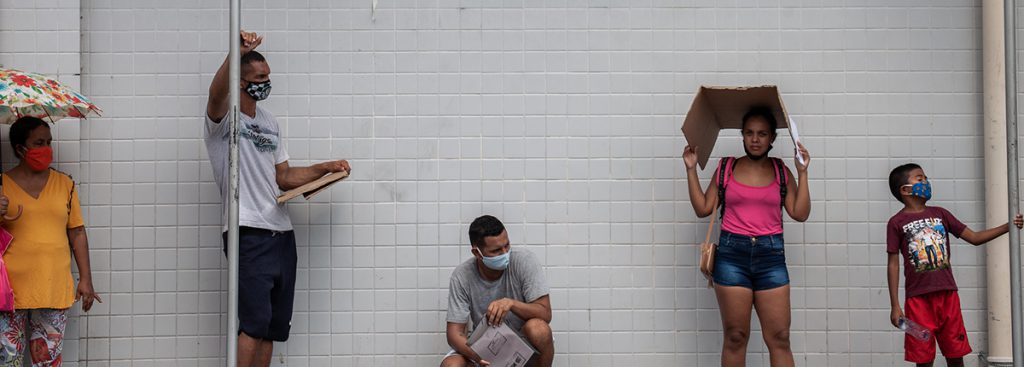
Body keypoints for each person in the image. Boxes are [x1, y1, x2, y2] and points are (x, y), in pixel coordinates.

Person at [204, 31, 351, 367]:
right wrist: (235, 51)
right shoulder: (224, 120)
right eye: (259, 78)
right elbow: (215, 94)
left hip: (281, 234)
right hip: (248, 231)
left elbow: (283, 177)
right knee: (253, 326)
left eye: (268, 76)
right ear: (240, 82)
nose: (266, 83)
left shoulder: (271, 123)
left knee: (271, 328)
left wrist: (325, 169)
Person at [682, 106, 811, 367]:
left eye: (762, 133)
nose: (755, 139)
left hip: (771, 258)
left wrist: (803, 171)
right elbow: (703, 209)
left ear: (772, 138)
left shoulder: (780, 171)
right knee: (735, 337)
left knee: (780, 337)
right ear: (742, 135)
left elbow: (800, 213)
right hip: (731, 258)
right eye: (749, 133)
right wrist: (691, 169)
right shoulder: (726, 167)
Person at [886, 163, 1023, 367]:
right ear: (905, 190)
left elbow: (974, 238)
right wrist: (895, 305)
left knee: (955, 355)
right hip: (917, 302)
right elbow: (893, 263)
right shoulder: (896, 222)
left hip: (948, 297)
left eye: (925, 178)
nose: (926, 182)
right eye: (920, 178)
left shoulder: (941, 214)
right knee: (923, 359)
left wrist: (1008, 226)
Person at [0, 116, 101, 366]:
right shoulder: (2, 185)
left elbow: (77, 232)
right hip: (9, 290)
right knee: (7, 361)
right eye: (39, 142)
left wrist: (86, 279)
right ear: (20, 148)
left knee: (47, 361)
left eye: (49, 142)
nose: (46, 149)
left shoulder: (64, 184)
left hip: (53, 286)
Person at [441, 215, 554, 367]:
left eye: (507, 246)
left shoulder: (525, 261)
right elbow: (454, 335)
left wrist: (511, 304)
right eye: (496, 250)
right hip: (485, 347)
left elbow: (545, 314)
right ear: (477, 253)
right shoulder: (461, 276)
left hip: (523, 346)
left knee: (539, 329)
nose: (505, 253)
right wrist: (480, 356)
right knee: (451, 365)